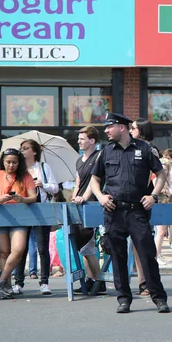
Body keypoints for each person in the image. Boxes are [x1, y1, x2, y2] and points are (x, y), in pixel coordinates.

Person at [91, 113, 170, 314]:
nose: (106, 131)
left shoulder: (144, 148)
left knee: (147, 256)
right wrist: (100, 197)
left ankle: (159, 298)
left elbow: (160, 174)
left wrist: (153, 195)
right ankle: (123, 299)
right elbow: (95, 180)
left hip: (138, 211)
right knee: (117, 258)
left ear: (122, 127)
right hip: (114, 211)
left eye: (110, 127)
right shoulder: (106, 151)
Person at [0, 148, 38, 299]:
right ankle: (6, 286)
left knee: (18, 250)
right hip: (0, 215)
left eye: (14, 162)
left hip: (20, 218)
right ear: (2, 161)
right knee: (3, 252)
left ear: (19, 162)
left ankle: (2, 279)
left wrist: (23, 199)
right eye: (8, 162)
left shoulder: (25, 175)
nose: (11, 165)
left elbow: (33, 197)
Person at [10, 139, 59, 296]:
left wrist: (42, 184)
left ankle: (44, 282)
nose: (22, 151)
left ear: (35, 152)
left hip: (40, 209)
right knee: (20, 248)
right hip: (23, 209)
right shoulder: (20, 170)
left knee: (42, 248)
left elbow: (55, 188)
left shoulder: (44, 167)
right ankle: (18, 283)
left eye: (26, 148)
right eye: (21, 148)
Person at [71, 126, 106, 295]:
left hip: (91, 205)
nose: (79, 141)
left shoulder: (98, 157)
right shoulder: (79, 160)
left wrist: (84, 197)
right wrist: (74, 197)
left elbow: (94, 181)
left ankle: (100, 281)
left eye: (82, 138)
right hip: (78, 205)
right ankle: (91, 279)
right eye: (79, 138)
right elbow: (78, 182)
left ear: (92, 141)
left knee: (88, 245)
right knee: (82, 246)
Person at [130, 118, 161, 294]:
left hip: (144, 201)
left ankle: (149, 281)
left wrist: (152, 195)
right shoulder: (133, 147)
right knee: (135, 243)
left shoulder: (149, 149)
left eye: (133, 128)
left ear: (141, 131)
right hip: (133, 201)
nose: (131, 130)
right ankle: (142, 280)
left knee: (144, 243)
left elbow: (154, 175)